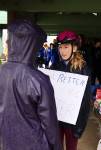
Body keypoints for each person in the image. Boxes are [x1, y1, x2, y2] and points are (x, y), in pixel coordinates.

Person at [0, 20, 62, 150]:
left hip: (7, 141)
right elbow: (49, 125)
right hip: (35, 145)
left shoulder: (1, 71)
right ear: (34, 46)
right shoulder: (40, 80)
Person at [50, 30, 91, 150]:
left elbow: (86, 101)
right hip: (56, 118)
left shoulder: (83, 69)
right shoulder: (54, 66)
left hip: (73, 122)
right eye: (60, 47)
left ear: (74, 48)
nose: (62, 51)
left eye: (66, 47)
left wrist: (80, 127)